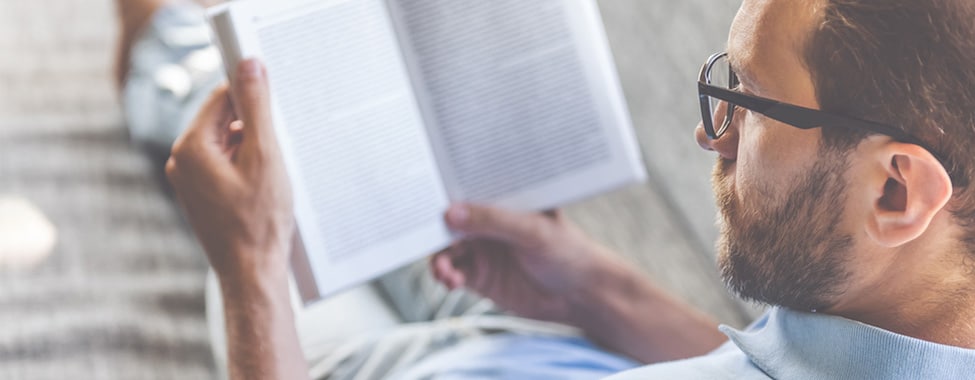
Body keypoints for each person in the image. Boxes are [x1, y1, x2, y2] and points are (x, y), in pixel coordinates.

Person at [124, 0, 975, 378]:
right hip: (553, 331)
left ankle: (165, 45)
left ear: (896, 193)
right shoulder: (900, 301)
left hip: (366, 368)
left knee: (239, 123)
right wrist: (587, 285)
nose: (710, 135)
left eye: (747, 102)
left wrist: (251, 273)